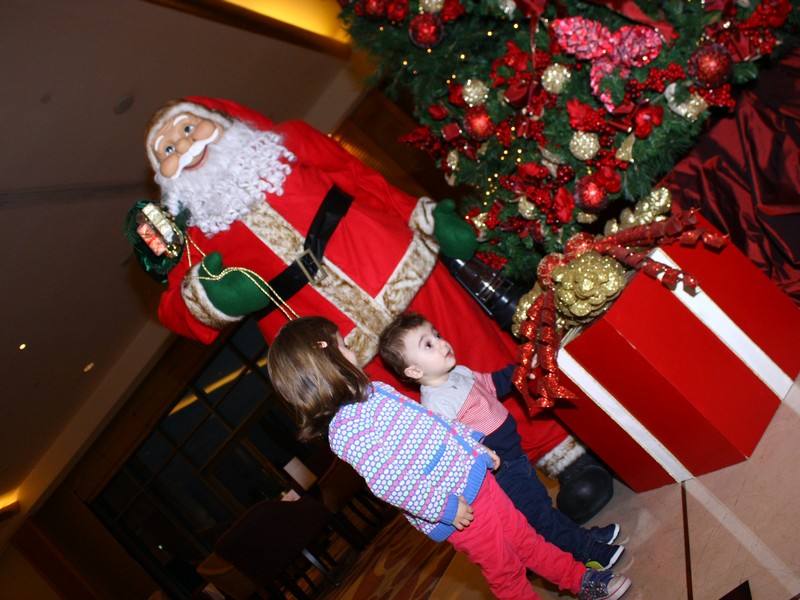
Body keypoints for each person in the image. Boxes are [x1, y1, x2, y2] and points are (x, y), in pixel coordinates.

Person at [138, 96, 613, 521]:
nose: (185, 146)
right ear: (163, 177)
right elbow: (173, 311)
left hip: (408, 275)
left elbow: (362, 180)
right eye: (167, 149)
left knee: (481, 359)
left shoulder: (290, 142)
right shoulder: (191, 240)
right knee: (428, 425)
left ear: (221, 119)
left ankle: (563, 453)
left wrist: (426, 218)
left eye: (188, 127)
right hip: (342, 345)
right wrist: (213, 299)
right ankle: (510, 496)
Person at [266, 316, 631, 600]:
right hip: (459, 509)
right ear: (323, 360)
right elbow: (390, 482)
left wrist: (475, 446)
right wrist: (443, 508)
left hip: (479, 479)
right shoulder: (347, 430)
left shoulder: (375, 392)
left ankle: (580, 580)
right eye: (342, 346)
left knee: (527, 540)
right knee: (505, 570)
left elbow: (436, 425)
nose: (351, 351)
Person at [379, 312, 626, 570]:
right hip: (498, 473)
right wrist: (477, 451)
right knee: (538, 515)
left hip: (514, 457)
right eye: (428, 344)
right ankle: (587, 552)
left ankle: (579, 538)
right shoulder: (436, 405)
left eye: (437, 335)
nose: (441, 343)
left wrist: (521, 372)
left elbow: (492, 384)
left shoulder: (459, 373)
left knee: (540, 506)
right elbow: (451, 446)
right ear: (415, 370)